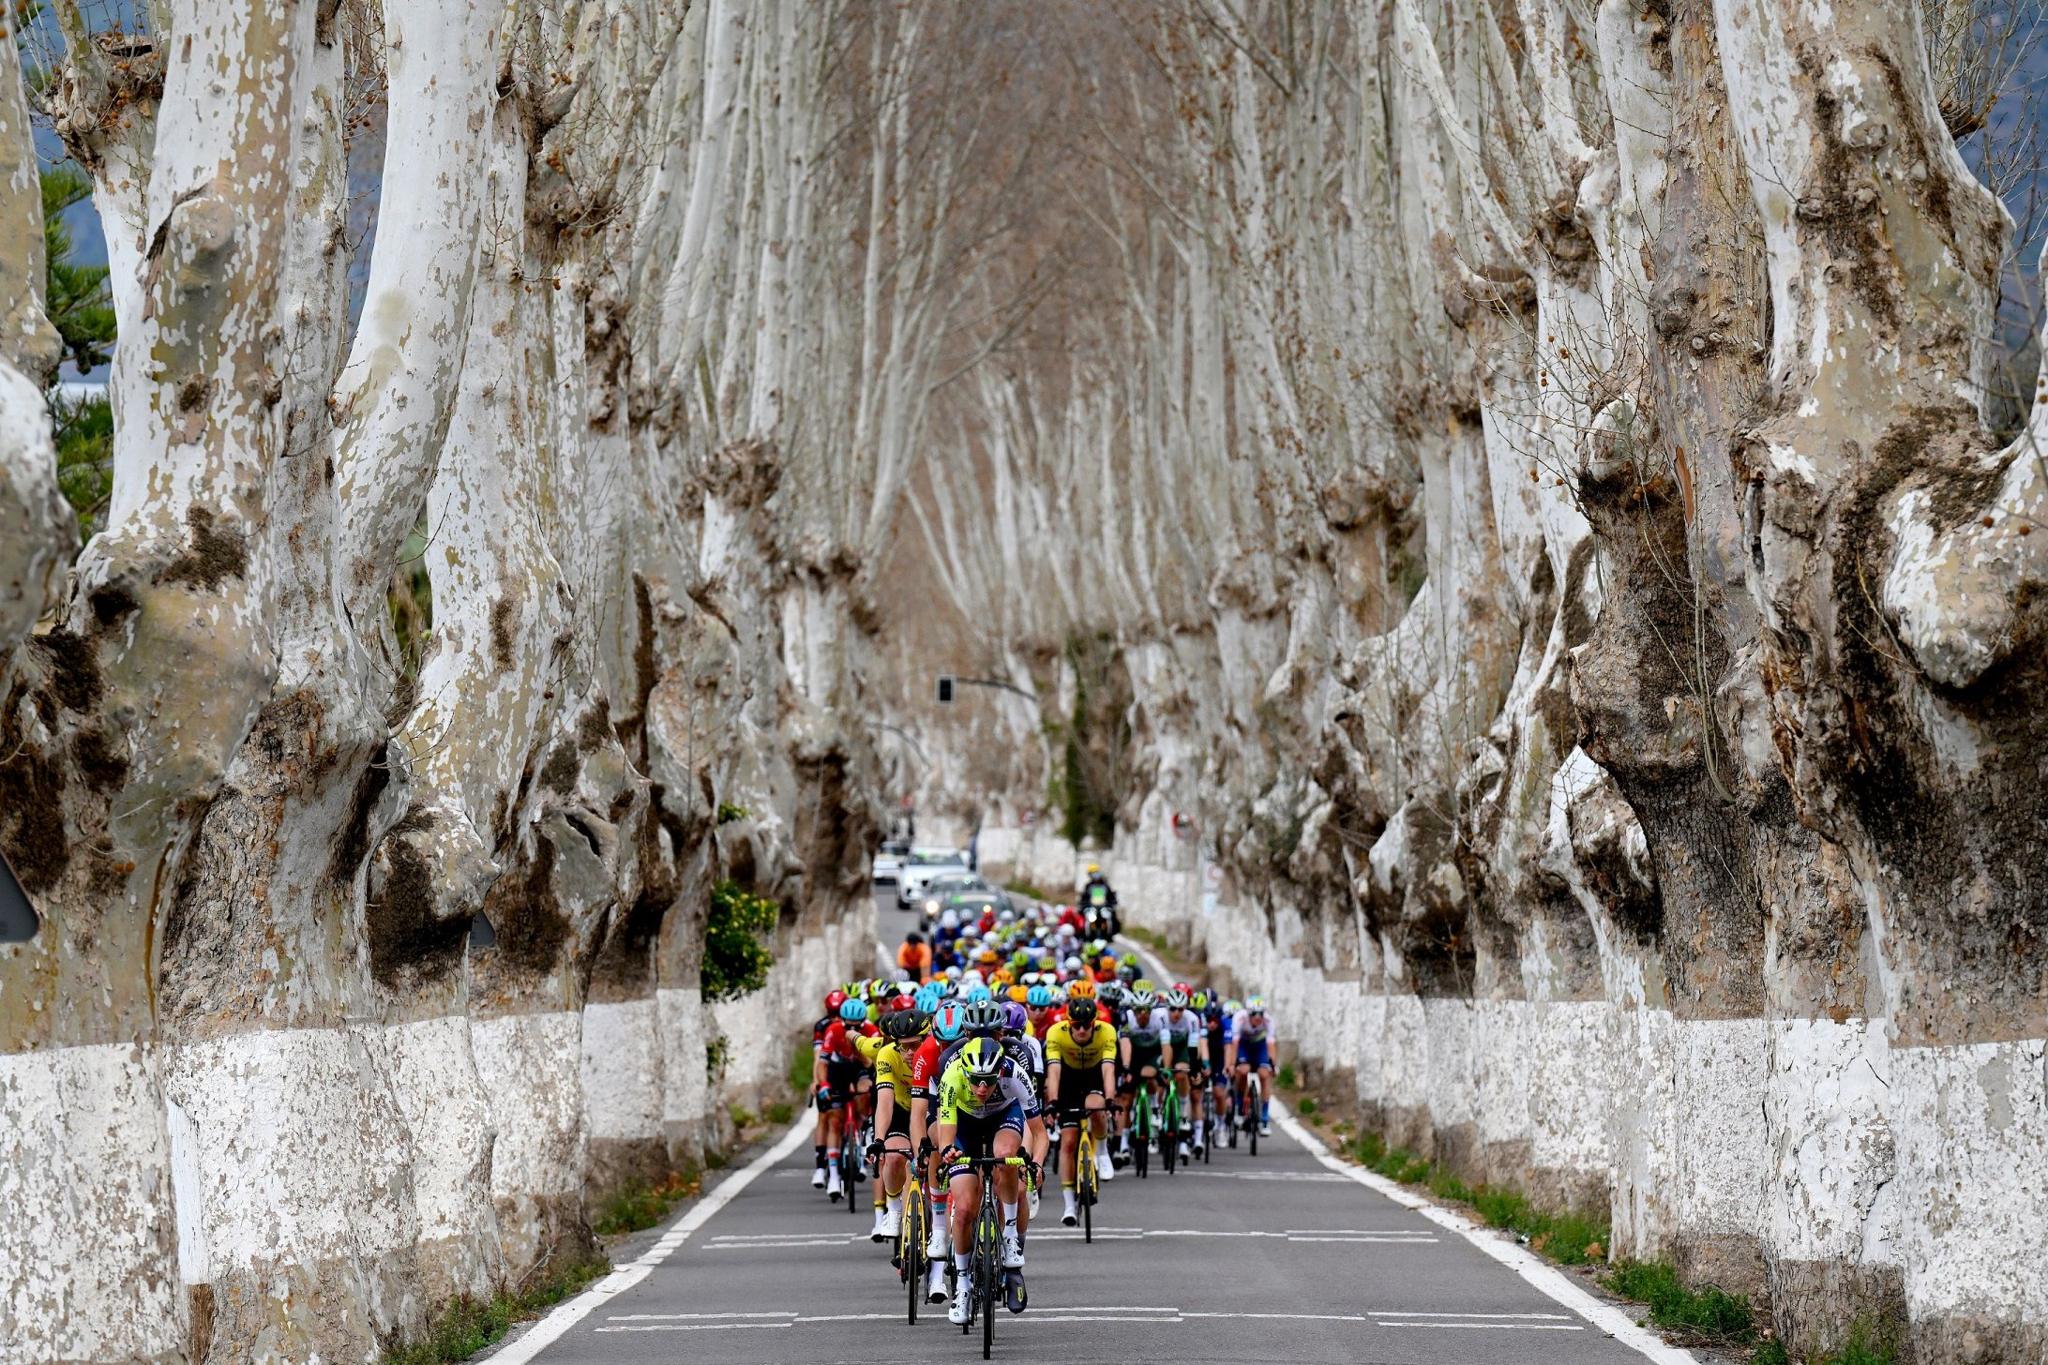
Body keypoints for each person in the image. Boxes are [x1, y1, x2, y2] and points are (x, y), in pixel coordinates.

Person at [932, 1038, 1038, 1325]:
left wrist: (1035, 1163)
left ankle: (1010, 1236)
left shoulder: (1014, 1074)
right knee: (965, 1208)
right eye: (976, 1081)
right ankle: (963, 1286)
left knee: (1006, 1157)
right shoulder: (952, 1076)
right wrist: (947, 1151)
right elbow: (946, 1128)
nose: (981, 1089)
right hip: (963, 1128)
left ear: (999, 1072)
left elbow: (1038, 1132)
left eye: (988, 1081)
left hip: (1003, 1118)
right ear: (966, 1073)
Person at [1043, 988, 1118, 1224]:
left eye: (1087, 1025)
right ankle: (1068, 1207)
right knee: (1068, 1141)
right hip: (1068, 1081)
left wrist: (1110, 1100)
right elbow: (1053, 1071)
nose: (1082, 1030)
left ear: (1095, 1022)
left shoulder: (1107, 1032)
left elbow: (1108, 1069)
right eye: (1077, 1025)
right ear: (1069, 1023)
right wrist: (1053, 1102)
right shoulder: (1056, 1033)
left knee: (1096, 1107)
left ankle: (1103, 1152)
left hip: (1094, 1076)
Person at [1229, 995, 1276, 1136]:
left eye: (1261, 1013)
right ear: (1248, 1013)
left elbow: (1271, 1044)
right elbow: (1234, 1043)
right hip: (1243, 1045)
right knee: (1243, 1071)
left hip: (1260, 1047)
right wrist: (1232, 1064)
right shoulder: (1239, 1018)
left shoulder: (1268, 1020)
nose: (1258, 1017)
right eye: (1254, 1014)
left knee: (1264, 1074)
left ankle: (1265, 1118)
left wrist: (1273, 1065)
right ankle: (1239, 1107)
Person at [1079, 863, 1120, 939]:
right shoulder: (1088, 886)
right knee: (1086, 917)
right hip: (1092, 907)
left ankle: (1111, 933)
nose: (1095, 875)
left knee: (1111, 916)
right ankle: (1085, 934)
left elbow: (1111, 896)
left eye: (1095, 872)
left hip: (1104, 907)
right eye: (1092, 873)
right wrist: (1083, 904)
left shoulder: (1105, 885)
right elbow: (1084, 898)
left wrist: (1112, 902)